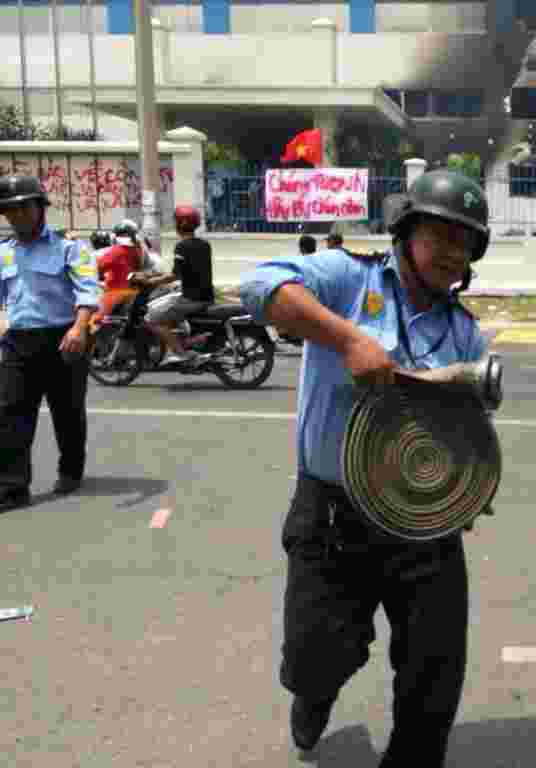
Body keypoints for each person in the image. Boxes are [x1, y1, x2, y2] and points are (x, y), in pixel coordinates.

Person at [240, 169, 491, 763]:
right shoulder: (345, 279)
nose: (452, 253)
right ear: (406, 232)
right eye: (440, 235)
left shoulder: (464, 333)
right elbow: (259, 286)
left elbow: (465, 429)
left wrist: (469, 487)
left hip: (424, 521)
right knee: (316, 655)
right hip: (333, 512)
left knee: (436, 667)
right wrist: (348, 340)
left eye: (465, 242)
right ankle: (314, 692)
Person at [0, 174, 100, 511]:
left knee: (68, 412)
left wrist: (80, 326)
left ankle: (70, 471)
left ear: (39, 208)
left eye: (22, 208)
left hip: (64, 340)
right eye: (8, 210)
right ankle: (13, 488)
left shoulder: (70, 248)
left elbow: (88, 289)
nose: (15, 216)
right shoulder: (4, 253)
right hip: (18, 343)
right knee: (11, 414)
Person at [143, 205, 215, 366]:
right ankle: (180, 342)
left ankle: (181, 353)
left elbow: (175, 275)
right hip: (205, 296)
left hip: (191, 299)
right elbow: (192, 272)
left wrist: (152, 281)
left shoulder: (182, 246)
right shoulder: (204, 244)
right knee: (165, 307)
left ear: (180, 225)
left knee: (152, 319)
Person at [94, 220, 146, 324]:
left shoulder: (115, 251)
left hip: (115, 292)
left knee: (93, 321)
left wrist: (99, 275)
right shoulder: (138, 250)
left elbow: (98, 268)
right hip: (133, 292)